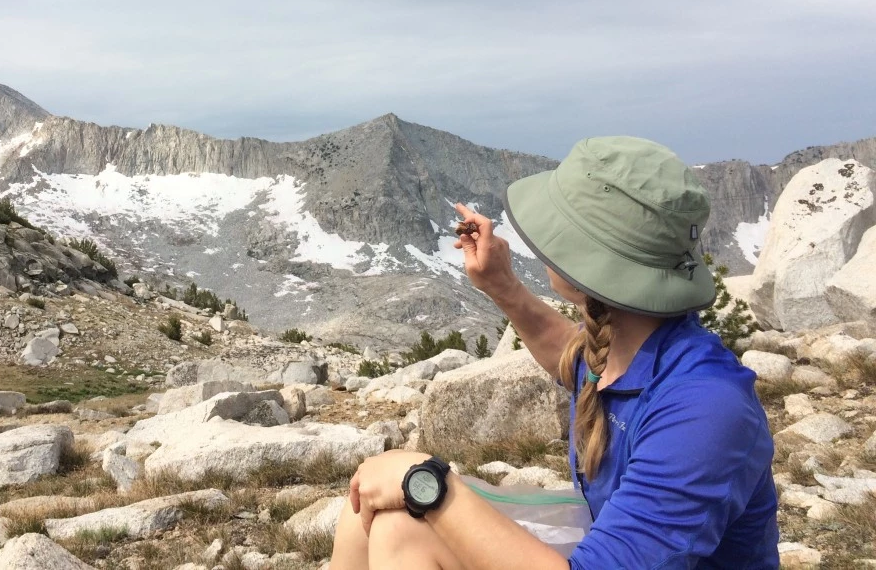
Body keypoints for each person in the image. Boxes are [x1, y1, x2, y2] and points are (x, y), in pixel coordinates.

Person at [331, 136, 779, 570]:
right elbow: (579, 359)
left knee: (403, 528)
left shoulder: (706, 408)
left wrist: (426, 484)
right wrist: (501, 285)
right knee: (364, 515)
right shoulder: (635, 344)